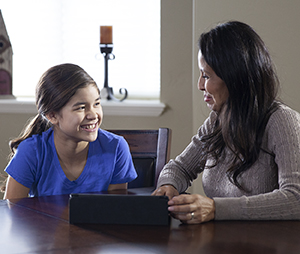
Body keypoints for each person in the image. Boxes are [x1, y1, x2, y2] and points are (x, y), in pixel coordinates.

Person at [153, 21, 300, 224]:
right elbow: (179, 168)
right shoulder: (216, 121)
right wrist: (169, 186)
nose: (199, 85)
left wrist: (216, 208)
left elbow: (295, 198)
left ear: (234, 77)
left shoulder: (282, 121)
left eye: (206, 75)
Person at [2, 63, 137, 199]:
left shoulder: (116, 148)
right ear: (52, 116)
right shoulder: (31, 151)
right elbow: (12, 213)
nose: (93, 115)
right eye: (81, 108)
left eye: (96, 104)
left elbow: (115, 210)